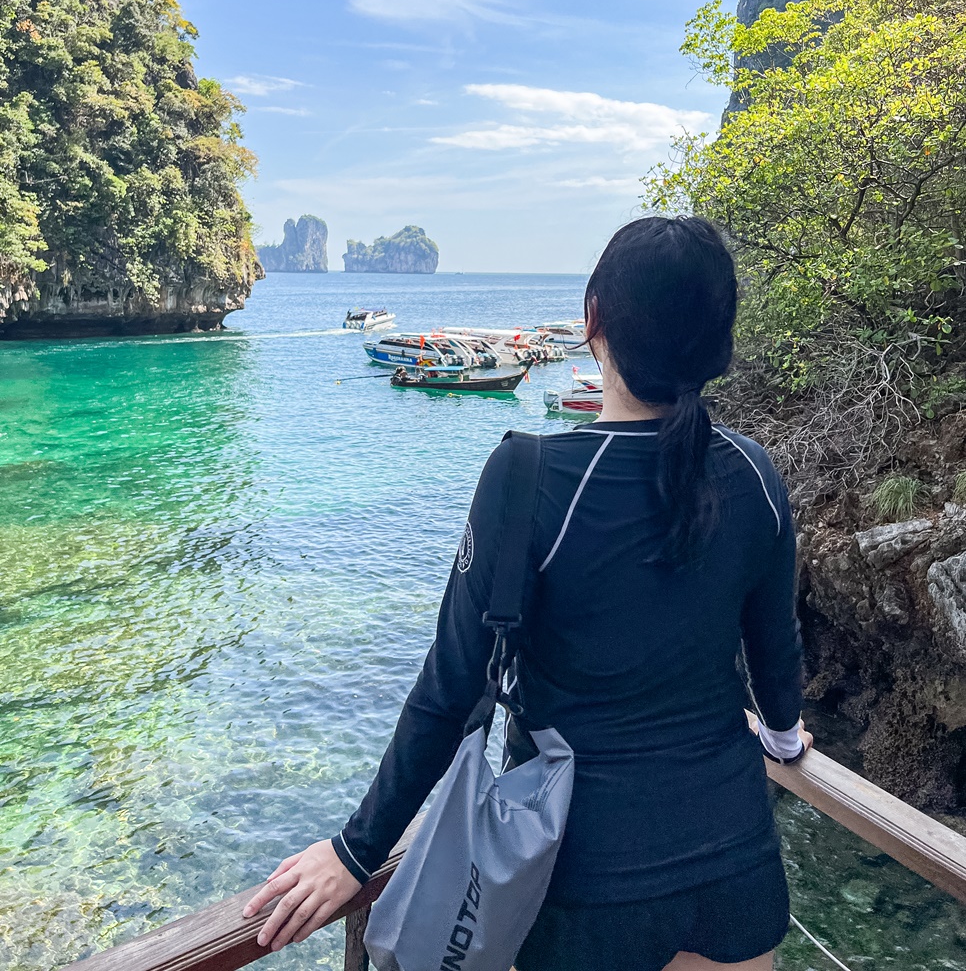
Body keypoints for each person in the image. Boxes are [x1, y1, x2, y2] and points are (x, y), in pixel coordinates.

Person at [243, 216, 812, 970]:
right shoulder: (755, 474)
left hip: (583, 881)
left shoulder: (528, 477)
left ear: (593, 322)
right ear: (719, 341)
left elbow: (450, 688)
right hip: (734, 861)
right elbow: (776, 653)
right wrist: (782, 740)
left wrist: (356, 851)